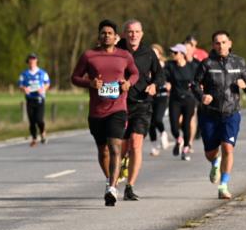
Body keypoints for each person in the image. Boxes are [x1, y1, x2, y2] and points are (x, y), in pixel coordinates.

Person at [70, 19, 139, 206]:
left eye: (110, 33)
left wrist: (128, 83)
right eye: (103, 33)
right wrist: (89, 83)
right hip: (96, 112)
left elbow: (134, 73)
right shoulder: (89, 56)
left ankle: (112, 188)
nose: (106, 35)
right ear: (99, 36)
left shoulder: (124, 56)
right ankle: (111, 179)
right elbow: (75, 77)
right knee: (103, 150)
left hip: (118, 109)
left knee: (115, 146)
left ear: (116, 37)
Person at [193, 30, 246, 200]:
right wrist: (202, 96)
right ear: (213, 45)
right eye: (217, 43)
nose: (221, 46)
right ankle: (215, 162)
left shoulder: (239, 62)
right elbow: (194, 85)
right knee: (210, 153)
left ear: (230, 43)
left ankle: (223, 185)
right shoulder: (206, 64)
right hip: (210, 113)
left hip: (231, 112)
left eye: (224, 42)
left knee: (227, 147)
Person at [117, 19, 163, 201]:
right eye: (130, 31)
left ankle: (130, 186)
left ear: (142, 34)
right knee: (121, 145)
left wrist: (154, 86)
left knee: (136, 143)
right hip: (119, 103)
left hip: (142, 103)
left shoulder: (148, 53)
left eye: (136, 31)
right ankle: (122, 163)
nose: (133, 35)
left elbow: (160, 75)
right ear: (124, 34)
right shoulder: (117, 51)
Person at [164, 44, 197, 161]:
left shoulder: (192, 67)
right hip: (175, 99)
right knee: (173, 125)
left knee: (186, 124)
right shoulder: (170, 66)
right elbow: (164, 76)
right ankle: (179, 139)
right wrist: (166, 83)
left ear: (182, 54)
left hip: (189, 99)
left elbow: (198, 80)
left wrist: (195, 86)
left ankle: (186, 148)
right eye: (172, 52)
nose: (173, 54)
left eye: (175, 53)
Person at [18, 53, 51, 146]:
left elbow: (47, 83)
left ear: (36, 61)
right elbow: (20, 85)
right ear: (28, 62)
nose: (32, 61)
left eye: (34, 59)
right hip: (30, 99)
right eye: (30, 59)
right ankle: (34, 138)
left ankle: (43, 132)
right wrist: (24, 89)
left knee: (39, 119)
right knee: (32, 120)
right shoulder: (24, 74)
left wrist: (43, 89)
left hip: (40, 98)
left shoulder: (42, 73)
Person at [147, 44, 172, 157]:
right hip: (149, 96)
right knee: (150, 123)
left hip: (162, 96)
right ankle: (154, 146)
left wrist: (169, 84)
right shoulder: (146, 66)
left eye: (155, 52)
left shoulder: (166, 66)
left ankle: (163, 133)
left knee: (157, 119)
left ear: (160, 54)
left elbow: (172, 78)